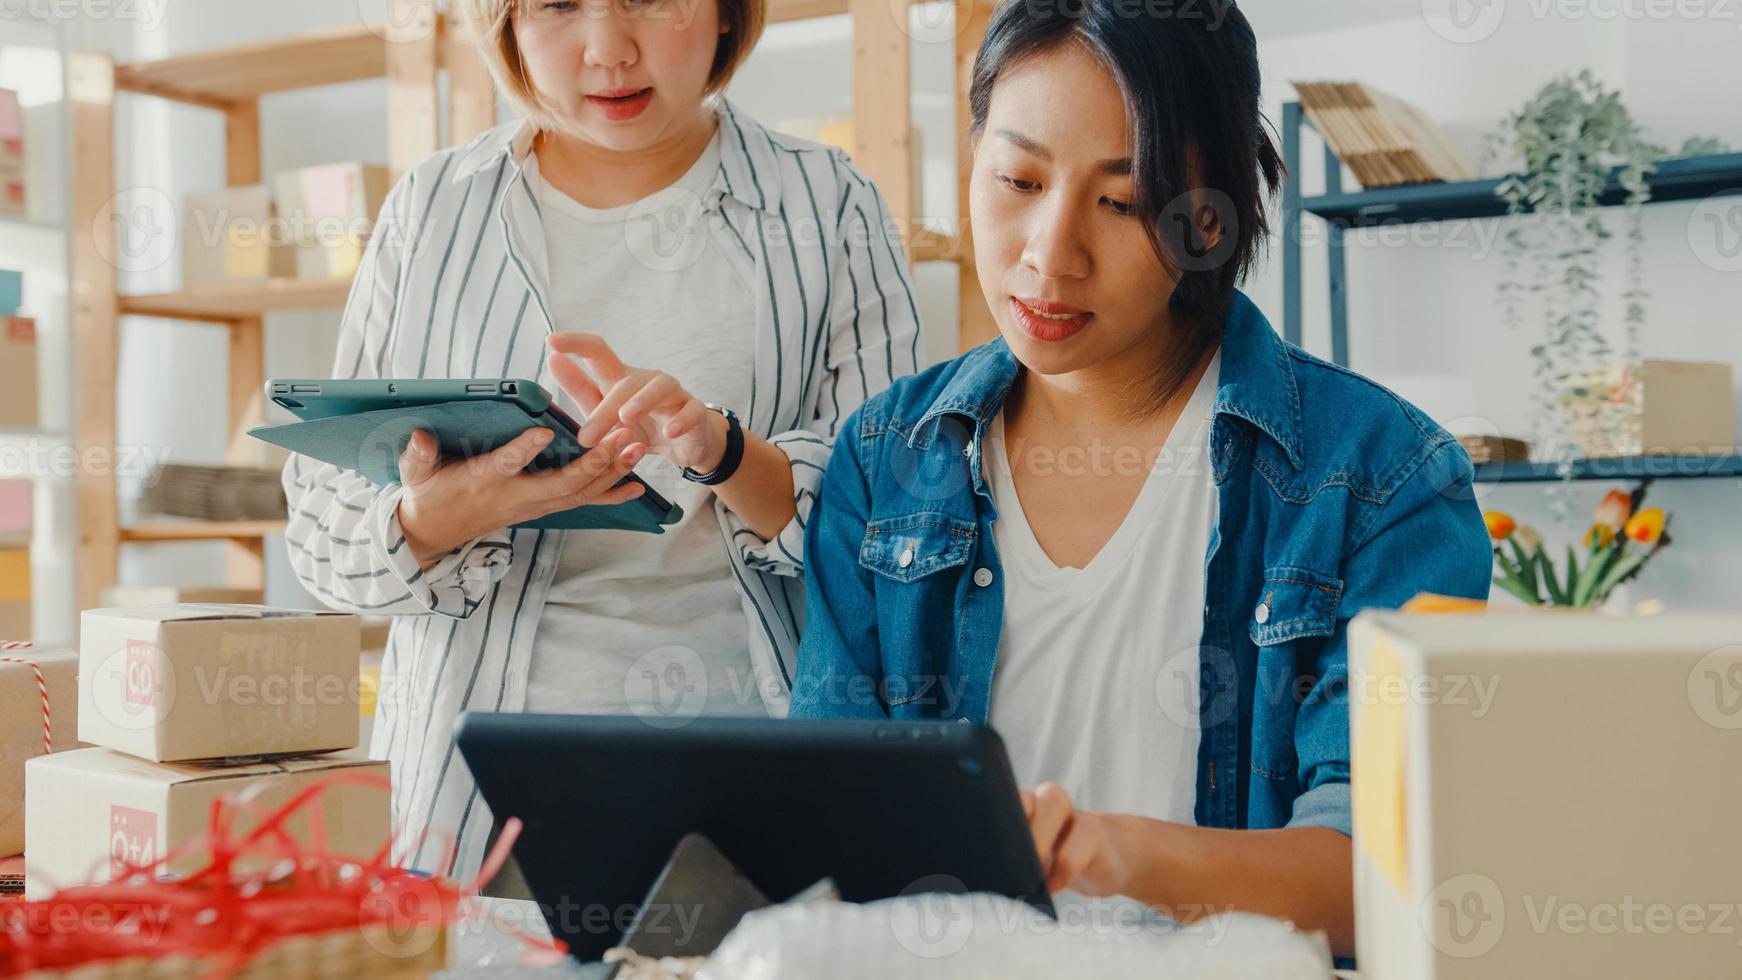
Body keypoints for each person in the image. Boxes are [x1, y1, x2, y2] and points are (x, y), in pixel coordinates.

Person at [788, 0, 1489, 957]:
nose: (1049, 252)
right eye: (1017, 179)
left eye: (1120, 202)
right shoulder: (884, 459)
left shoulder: (1383, 479)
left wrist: (1117, 853)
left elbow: (1382, 877)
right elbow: (827, 821)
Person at [282, 0, 919, 880]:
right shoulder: (434, 209)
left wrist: (726, 454)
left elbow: (897, 526)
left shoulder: (828, 203)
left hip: (754, 784)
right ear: (503, 22)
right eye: (557, 4)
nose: (609, 50)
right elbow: (320, 536)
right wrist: (435, 520)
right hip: (473, 805)